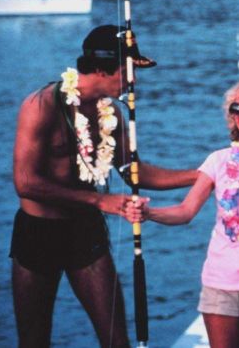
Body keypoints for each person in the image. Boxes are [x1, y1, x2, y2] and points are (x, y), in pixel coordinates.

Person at [11, 25, 198, 348]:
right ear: (100, 69)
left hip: (85, 232)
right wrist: (100, 201)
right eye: (126, 71)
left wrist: (202, 174)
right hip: (38, 232)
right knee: (33, 341)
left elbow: (133, 172)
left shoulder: (111, 114)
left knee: (116, 340)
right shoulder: (40, 106)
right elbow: (25, 183)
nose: (132, 81)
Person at [124, 78, 239, 348]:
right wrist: (148, 213)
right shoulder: (218, 161)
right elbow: (185, 211)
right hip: (219, 283)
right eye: (236, 109)